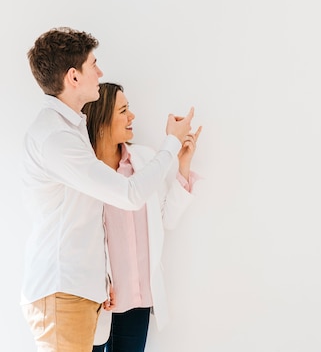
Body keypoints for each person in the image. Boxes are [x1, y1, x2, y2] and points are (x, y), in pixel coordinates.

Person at [21, 27, 194, 352]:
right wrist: (170, 142)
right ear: (74, 77)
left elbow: (84, 220)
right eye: (93, 64)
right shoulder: (57, 139)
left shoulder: (71, 134)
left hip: (80, 291)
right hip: (63, 292)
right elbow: (128, 195)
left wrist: (100, 280)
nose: (100, 72)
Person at [83, 83, 202, 352]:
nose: (132, 116)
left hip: (138, 299)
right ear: (101, 120)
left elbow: (166, 220)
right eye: (123, 110)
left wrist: (183, 165)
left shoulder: (145, 160)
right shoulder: (84, 171)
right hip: (96, 300)